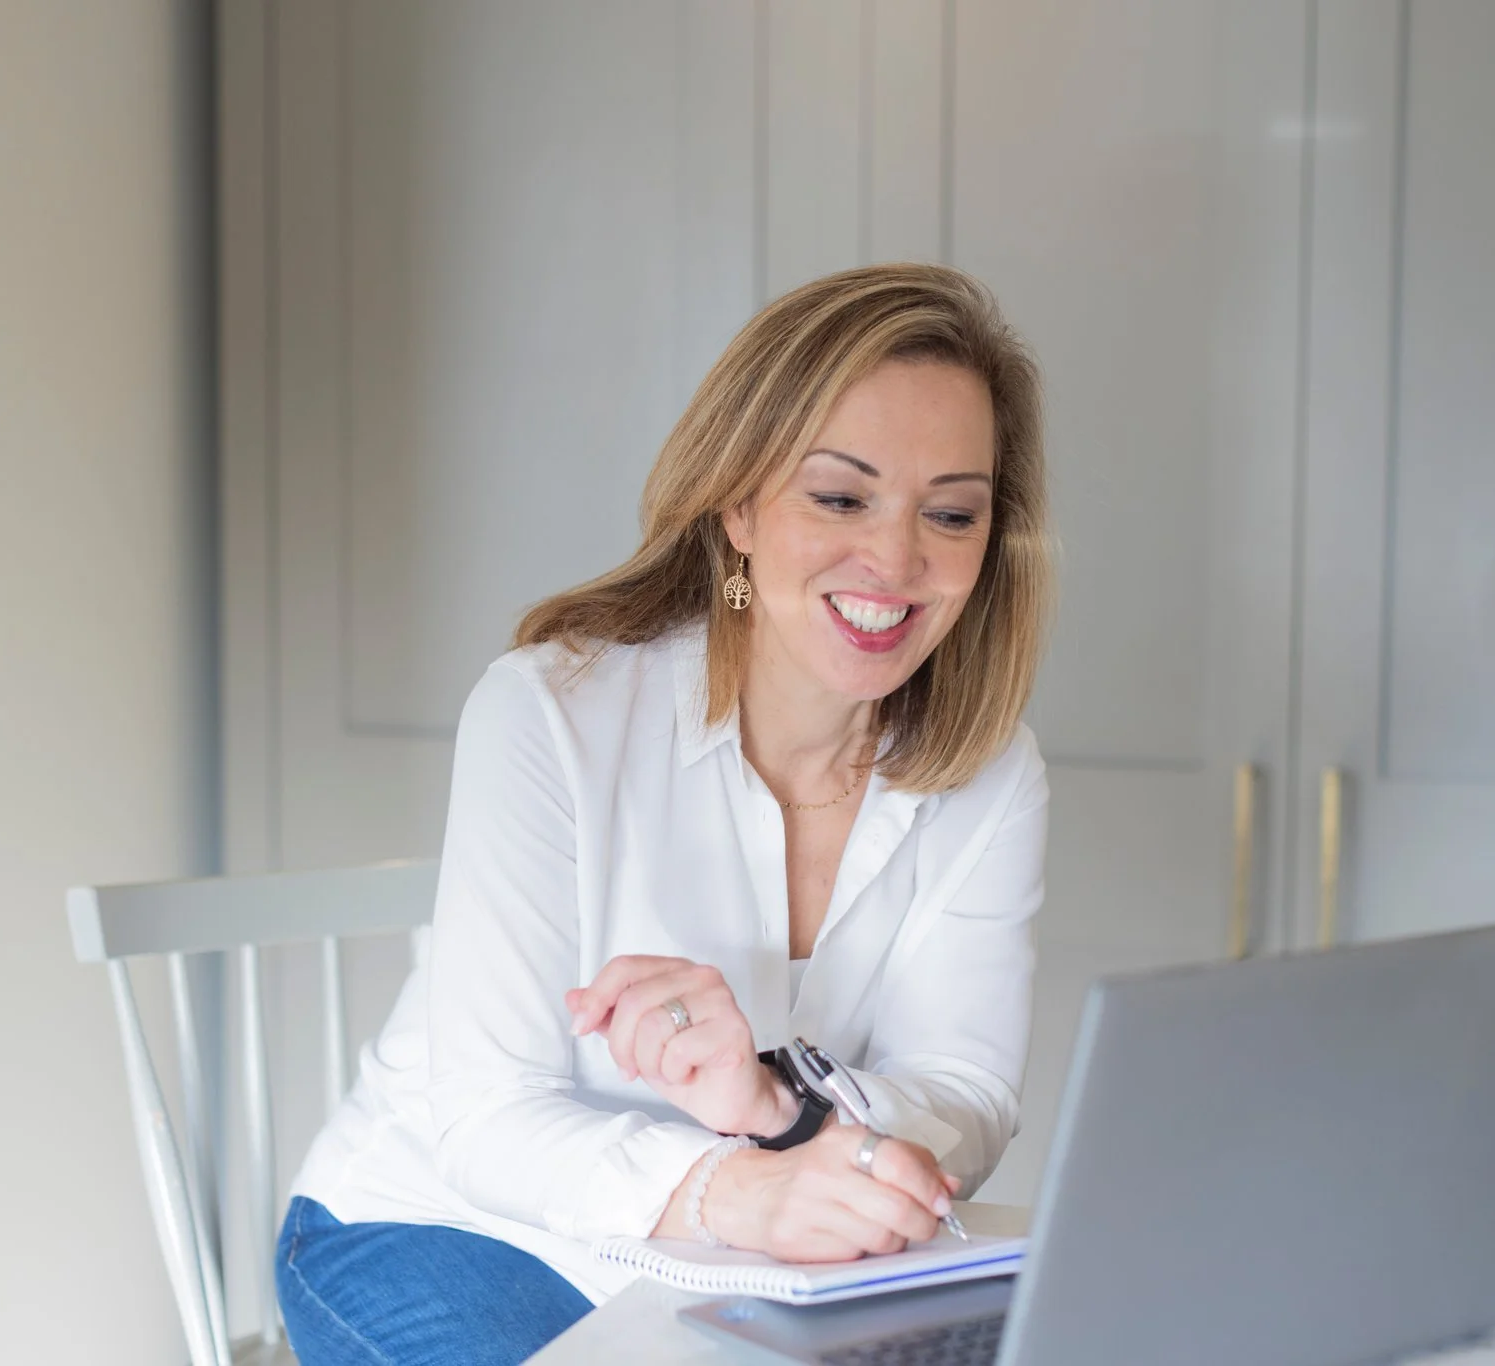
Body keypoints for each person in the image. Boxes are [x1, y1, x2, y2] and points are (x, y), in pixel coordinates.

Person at [274, 263, 1054, 1364]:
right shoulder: (548, 713)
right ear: (737, 504)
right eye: (839, 496)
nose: (895, 559)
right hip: (445, 1227)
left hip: (742, 1254)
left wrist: (775, 1103)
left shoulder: (989, 770)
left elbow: (965, 1095)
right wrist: (739, 1186)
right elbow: (487, 1122)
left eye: (951, 512)